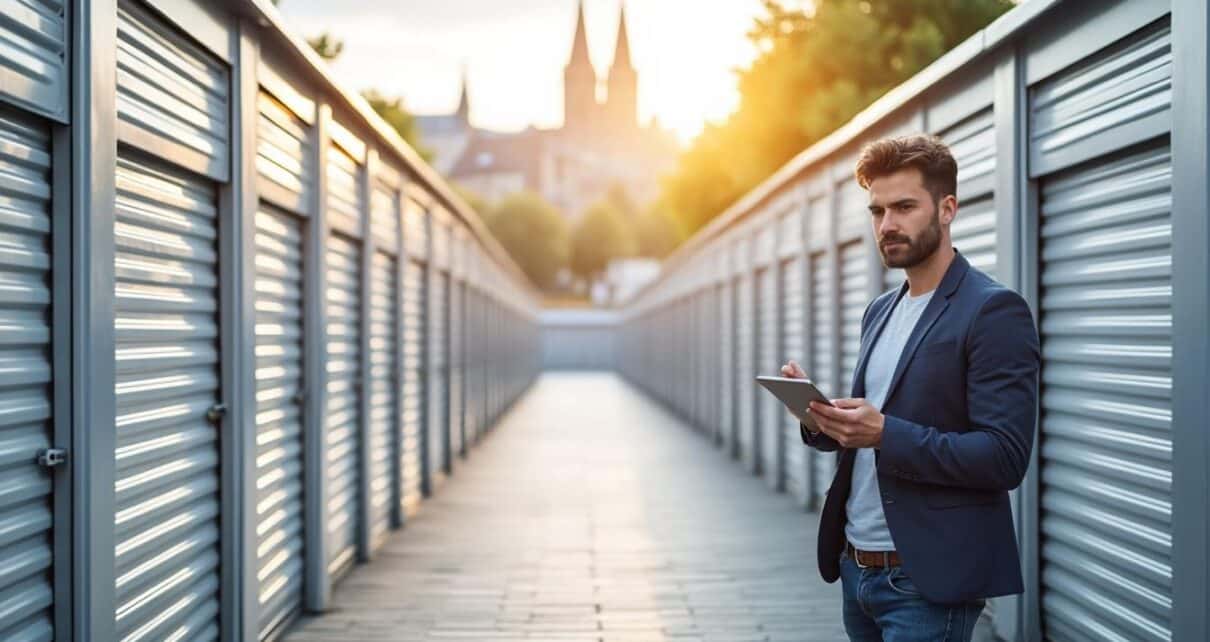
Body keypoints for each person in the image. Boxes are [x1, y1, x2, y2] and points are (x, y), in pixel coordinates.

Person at [781, 134, 1039, 641]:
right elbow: (881, 424)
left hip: (924, 580)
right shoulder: (881, 310)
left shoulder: (993, 311)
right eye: (877, 210)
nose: (887, 225)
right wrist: (822, 419)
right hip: (857, 567)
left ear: (947, 209)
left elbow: (1005, 457)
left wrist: (882, 434)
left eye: (903, 207)